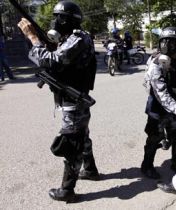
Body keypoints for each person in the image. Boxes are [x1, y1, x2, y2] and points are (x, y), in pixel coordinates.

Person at [17, 1, 99, 202]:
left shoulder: (77, 39)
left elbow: (51, 61)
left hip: (74, 99)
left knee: (72, 143)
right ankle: (90, 170)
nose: (55, 21)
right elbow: (60, 58)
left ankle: (67, 190)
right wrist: (50, 43)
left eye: (59, 17)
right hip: (74, 98)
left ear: (70, 20)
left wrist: (33, 37)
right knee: (82, 136)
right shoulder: (75, 37)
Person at [141, 26, 176, 179]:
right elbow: (160, 92)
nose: (168, 46)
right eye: (165, 42)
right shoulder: (155, 62)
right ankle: (147, 165)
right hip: (158, 106)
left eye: (171, 43)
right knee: (154, 137)